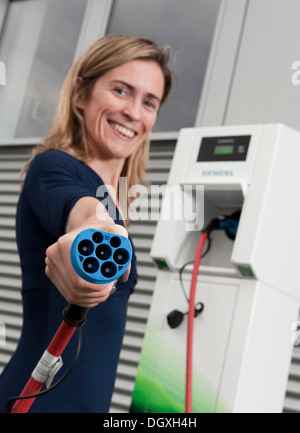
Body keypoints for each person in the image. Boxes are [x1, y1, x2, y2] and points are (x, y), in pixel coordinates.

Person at [0, 34, 173, 413]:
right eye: (121, 91)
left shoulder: (120, 194)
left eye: (149, 102)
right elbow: (81, 212)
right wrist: (95, 231)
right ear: (81, 94)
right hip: (33, 402)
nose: (133, 112)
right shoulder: (52, 167)